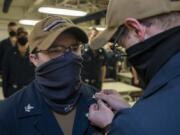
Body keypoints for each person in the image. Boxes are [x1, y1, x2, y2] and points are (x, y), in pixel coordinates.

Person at [88, 0, 180, 134]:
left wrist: (113, 127)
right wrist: (133, 111)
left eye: (121, 45)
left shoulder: (132, 126)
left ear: (137, 29)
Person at [0, 16, 101, 135]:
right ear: (34, 59)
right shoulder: (8, 113)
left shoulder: (99, 102)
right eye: (55, 50)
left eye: (74, 48)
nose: (69, 57)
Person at [2, 29, 35, 98]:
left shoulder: (33, 54)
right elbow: (5, 73)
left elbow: (36, 73)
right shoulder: (9, 53)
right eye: (21, 48)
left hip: (28, 91)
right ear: (18, 44)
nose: (24, 50)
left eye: (25, 48)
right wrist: (5, 92)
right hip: (13, 90)